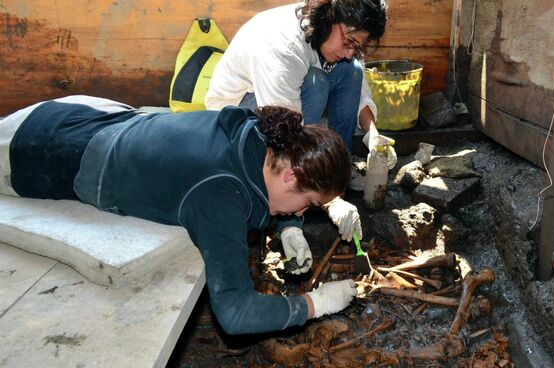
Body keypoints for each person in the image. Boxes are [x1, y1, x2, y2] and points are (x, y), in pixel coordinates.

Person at [0, 95, 358, 335]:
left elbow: (263, 187)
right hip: (34, 152)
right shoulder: (220, 196)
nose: (303, 212)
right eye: (307, 204)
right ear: (290, 175)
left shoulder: (260, 131)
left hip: (71, 115)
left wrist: (288, 226)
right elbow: (235, 314)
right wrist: (315, 304)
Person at [205, 0, 397, 259]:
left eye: (358, 46)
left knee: (351, 70)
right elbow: (285, 139)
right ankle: (311, 194)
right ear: (331, 17)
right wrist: (293, 225)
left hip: (288, 100)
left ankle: (337, 173)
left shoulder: (333, 36)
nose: (351, 51)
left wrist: (372, 135)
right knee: (316, 85)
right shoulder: (282, 47)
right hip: (239, 111)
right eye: (350, 42)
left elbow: (359, 88)